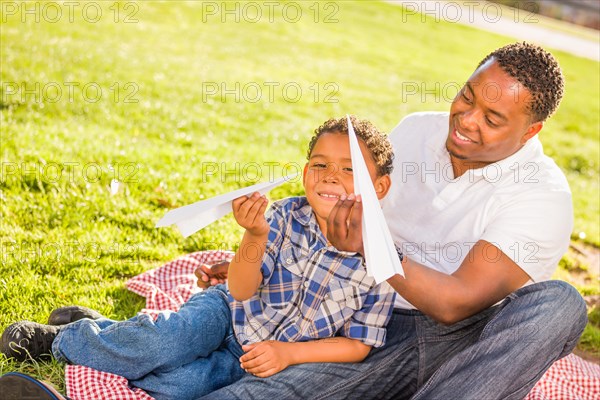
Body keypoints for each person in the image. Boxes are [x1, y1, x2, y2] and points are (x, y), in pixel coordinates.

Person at [193, 42, 588, 399]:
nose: (467, 120)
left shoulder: (542, 196)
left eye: (492, 118)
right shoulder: (417, 130)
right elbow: (341, 217)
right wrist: (270, 263)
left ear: (530, 131)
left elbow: (455, 304)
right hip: (351, 308)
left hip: (445, 339)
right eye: (466, 97)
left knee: (561, 304)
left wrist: (369, 247)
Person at [1, 116, 397, 399]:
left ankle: (100, 327)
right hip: (225, 312)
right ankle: (62, 342)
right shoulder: (283, 215)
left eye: (350, 170)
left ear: (379, 187)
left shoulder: (385, 262)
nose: (330, 175)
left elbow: (358, 345)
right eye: (320, 164)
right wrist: (254, 234)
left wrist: (289, 353)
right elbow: (241, 289)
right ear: (305, 170)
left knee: (174, 387)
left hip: (257, 356)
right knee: (161, 343)